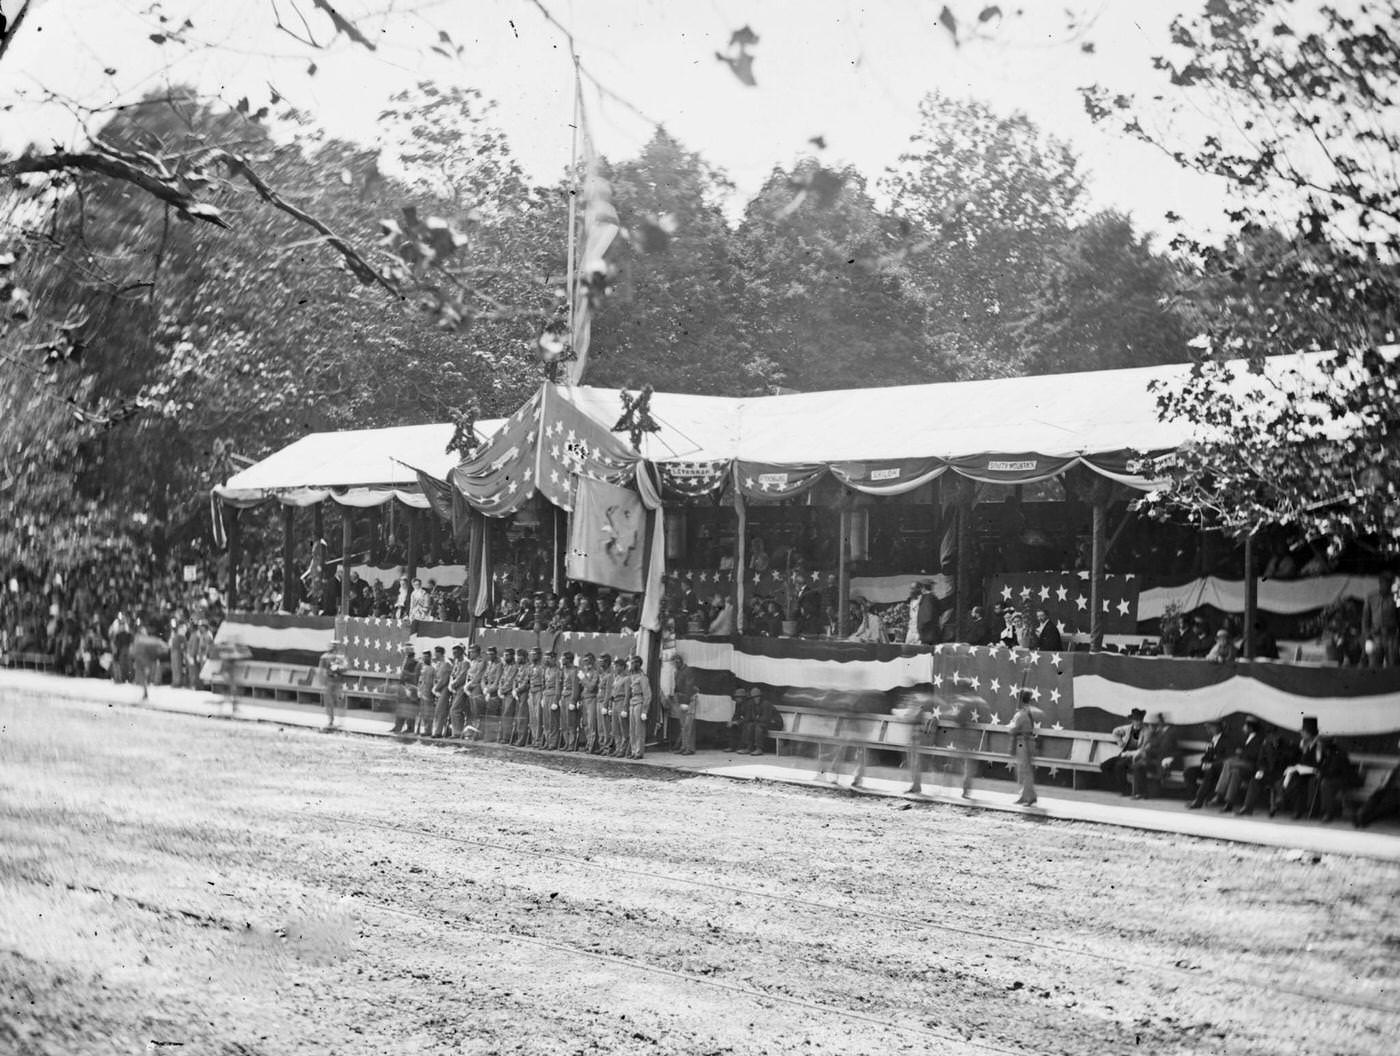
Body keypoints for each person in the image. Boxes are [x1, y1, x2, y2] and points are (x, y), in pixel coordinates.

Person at [1278, 716, 1325, 818]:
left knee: (1299, 782)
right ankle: (1283, 800)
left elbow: (1318, 761)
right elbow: (1297, 758)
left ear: (1310, 733)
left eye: (1304, 731)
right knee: (1288, 777)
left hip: (1313, 772)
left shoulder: (1318, 744)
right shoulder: (1301, 743)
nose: (1301, 733)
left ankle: (1298, 810)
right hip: (1301, 770)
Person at [1184, 720, 1233, 809]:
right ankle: (1194, 797)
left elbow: (1227, 759)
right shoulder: (1212, 739)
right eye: (1207, 728)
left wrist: (1212, 765)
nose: (1208, 730)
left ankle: (1199, 800)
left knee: (1209, 772)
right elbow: (1207, 756)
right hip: (1209, 767)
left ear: (1218, 727)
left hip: (1220, 769)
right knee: (1189, 771)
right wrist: (1204, 762)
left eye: (1210, 727)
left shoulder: (1227, 740)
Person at [1129, 712, 1179, 800]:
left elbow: (1163, 749)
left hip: (1164, 762)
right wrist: (1150, 744)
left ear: (1165, 721)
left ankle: (1142, 793)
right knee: (1138, 765)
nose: (1158, 723)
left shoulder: (1171, 732)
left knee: (1140, 765)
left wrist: (1149, 750)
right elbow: (1151, 743)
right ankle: (1139, 793)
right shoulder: (1159, 731)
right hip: (1156, 760)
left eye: (1160, 720)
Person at [1354, 738, 1400, 829]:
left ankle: (1365, 819)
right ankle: (1361, 815)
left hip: (1397, 791)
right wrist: (1384, 784)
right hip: (1390, 788)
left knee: (1385, 804)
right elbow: (1392, 777)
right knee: (1375, 797)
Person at [1100, 708, 1147, 795]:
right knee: (1104, 766)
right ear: (1132, 720)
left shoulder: (1145, 731)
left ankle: (1125, 790)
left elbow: (1144, 748)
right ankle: (1122, 786)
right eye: (1136, 720)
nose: (1138, 722)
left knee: (1119, 766)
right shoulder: (1128, 729)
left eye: (1140, 720)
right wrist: (1120, 743)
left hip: (1135, 756)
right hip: (1123, 754)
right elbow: (1115, 732)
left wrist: (1130, 753)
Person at [1362, 572, 1398, 667]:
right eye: (1386, 582)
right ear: (1381, 583)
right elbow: (1366, 619)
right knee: (1374, 666)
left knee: (1392, 665)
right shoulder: (1371, 597)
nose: (1388, 585)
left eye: (1390, 583)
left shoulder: (1395, 598)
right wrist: (1367, 636)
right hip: (1375, 636)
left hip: (1391, 637)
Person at [1009, 690, 1039, 806]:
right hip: (1029, 741)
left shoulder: (1021, 714)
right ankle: (1025, 795)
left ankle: (1029, 797)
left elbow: (1012, 729)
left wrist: (1012, 723)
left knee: (1024, 771)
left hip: (1023, 742)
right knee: (1024, 771)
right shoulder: (1030, 711)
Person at [625, 654, 652, 759]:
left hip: (639, 702)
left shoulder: (642, 677)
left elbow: (647, 694)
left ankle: (639, 752)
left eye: (632, 663)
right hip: (632, 702)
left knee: (639, 729)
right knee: (632, 729)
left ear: (637, 664)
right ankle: (633, 750)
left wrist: (645, 710)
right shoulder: (631, 676)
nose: (630, 665)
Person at [130, 622, 166, 701]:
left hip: (143, 661)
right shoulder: (141, 639)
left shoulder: (139, 639)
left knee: (143, 678)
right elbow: (153, 642)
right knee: (143, 678)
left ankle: (144, 693)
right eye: (143, 630)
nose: (145, 632)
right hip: (142, 661)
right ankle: (144, 693)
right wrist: (161, 643)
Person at [317, 638, 347, 731]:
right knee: (329, 702)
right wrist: (322, 682)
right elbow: (321, 670)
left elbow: (347, 667)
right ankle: (330, 720)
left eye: (334, 646)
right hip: (329, 681)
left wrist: (338, 667)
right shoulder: (324, 657)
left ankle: (341, 721)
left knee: (340, 701)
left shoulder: (341, 657)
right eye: (331, 645)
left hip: (338, 681)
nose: (332, 647)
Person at [391, 644, 420, 735]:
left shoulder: (414, 662)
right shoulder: (407, 660)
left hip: (410, 686)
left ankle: (410, 728)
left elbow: (414, 675)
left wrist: (405, 675)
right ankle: (398, 726)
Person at [673, 657, 698, 756]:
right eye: (674, 662)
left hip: (689, 699)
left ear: (681, 662)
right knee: (683, 725)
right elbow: (677, 686)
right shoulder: (677, 672)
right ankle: (684, 746)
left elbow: (689, 686)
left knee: (689, 725)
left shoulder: (688, 671)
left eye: (677, 662)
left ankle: (690, 748)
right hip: (682, 698)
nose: (676, 664)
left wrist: (686, 702)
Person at [578, 652, 601, 753]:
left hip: (592, 699)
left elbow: (591, 687)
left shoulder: (595, 673)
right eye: (584, 661)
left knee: (591, 723)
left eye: (587, 660)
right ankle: (588, 744)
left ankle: (592, 746)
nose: (585, 663)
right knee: (585, 723)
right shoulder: (585, 672)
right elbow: (580, 687)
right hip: (584, 699)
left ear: (592, 661)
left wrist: (583, 678)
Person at [447, 644, 471, 739]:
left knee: (455, 710)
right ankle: (458, 732)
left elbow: (462, 677)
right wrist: (451, 684)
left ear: (461, 652)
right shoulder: (457, 661)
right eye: (453, 652)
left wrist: (453, 684)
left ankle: (457, 733)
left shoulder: (466, 663)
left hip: (461, 689)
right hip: (455, 689)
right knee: (456, 710)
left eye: (456, 652)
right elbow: (453, 674)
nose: (454, 654)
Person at [560, 651, 582, 751]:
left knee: (571, 722)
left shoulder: (574, 671)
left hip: (570, 697)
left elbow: (575, 688)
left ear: (569, 660)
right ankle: (566, 742)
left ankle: (572, 743)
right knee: (564, 722)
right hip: (564, 696)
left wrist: (573, 701)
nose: (562, 660)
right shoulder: (564, 669)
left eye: (564, 658)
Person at [905, 581, 939, 646]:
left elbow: (927, 615)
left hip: (920, 631)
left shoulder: (925, 599)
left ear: (919, 589)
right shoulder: (910, 600)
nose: (911, 590)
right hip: (911, 630)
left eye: (913, 588)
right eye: (910, 588)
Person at [428, 646, 452, 738]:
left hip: (444, 690)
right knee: (437, 711)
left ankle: (438, 732)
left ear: (440, 653)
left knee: (441, 711)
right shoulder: (439, 664)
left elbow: (444, 680)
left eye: (436, 653)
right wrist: (435, 687)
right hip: (438, 690)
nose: (434, 655)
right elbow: (436, 678)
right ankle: (437, 730)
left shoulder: (446, 664)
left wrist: (436, 688)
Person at [540, 650, 562, 749]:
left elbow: (558, 687)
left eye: (549, 658)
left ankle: (553, 742)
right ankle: (547, 740)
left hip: (553, 695)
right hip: (546, 695)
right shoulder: (546, 670)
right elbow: (544, 684)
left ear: (554, 659)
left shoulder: (558, 671)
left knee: (553, 721)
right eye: (545, 658)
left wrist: (556, 701)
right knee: (546, 721)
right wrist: (542, 698)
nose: (546, 660)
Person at [608, 656, 630, 755]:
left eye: (617, 666)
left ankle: (623, 749)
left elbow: (627, 694)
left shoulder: (626, 678)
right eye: (615, 666)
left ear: (622, 667)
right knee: (615, 727)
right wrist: (610, 705)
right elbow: (612, 692)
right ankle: (617, 748)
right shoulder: (616, 678)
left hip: (621, 702)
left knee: (623, 727)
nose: (615, 668)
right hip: (615, 702)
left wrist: (625, 708)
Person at [594, 653, 614, 755]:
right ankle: (602, 745)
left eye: (602, 661)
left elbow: (608, 691)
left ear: (607, 662)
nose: (600, 663)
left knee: (606, 727)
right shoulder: (601, 674)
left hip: (604, 702)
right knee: (600, 726)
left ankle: (607, 747)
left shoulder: (610, 675)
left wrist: (606, 705)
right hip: (599, 701)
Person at [415, 649, 437, 737]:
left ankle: (428, 730)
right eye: (423, 657)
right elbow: (420, 681)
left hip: (429, 693)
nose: (424, 659)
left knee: (428, 712)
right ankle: (425, 729)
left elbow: (435, 681)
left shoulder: (434, 668)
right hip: (422, 692)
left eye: (426, 657)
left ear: (430, 657)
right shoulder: (422, 668)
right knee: (423, 713)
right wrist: (418, 690)